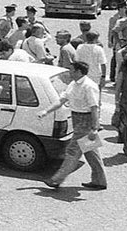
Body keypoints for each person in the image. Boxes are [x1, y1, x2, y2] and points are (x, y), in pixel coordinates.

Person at [39, 60, 106, 190]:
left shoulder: (89, 86)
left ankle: (56, 180)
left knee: (72, 151)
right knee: (91, 151)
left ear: (79, 72)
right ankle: (100, 180)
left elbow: (94, 108)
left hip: (85, 121)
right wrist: (46, 111)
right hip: (77, 119)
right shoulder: (73, 85)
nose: (70, 72)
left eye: (72, 70)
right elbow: (61, 100)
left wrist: (94, 128)